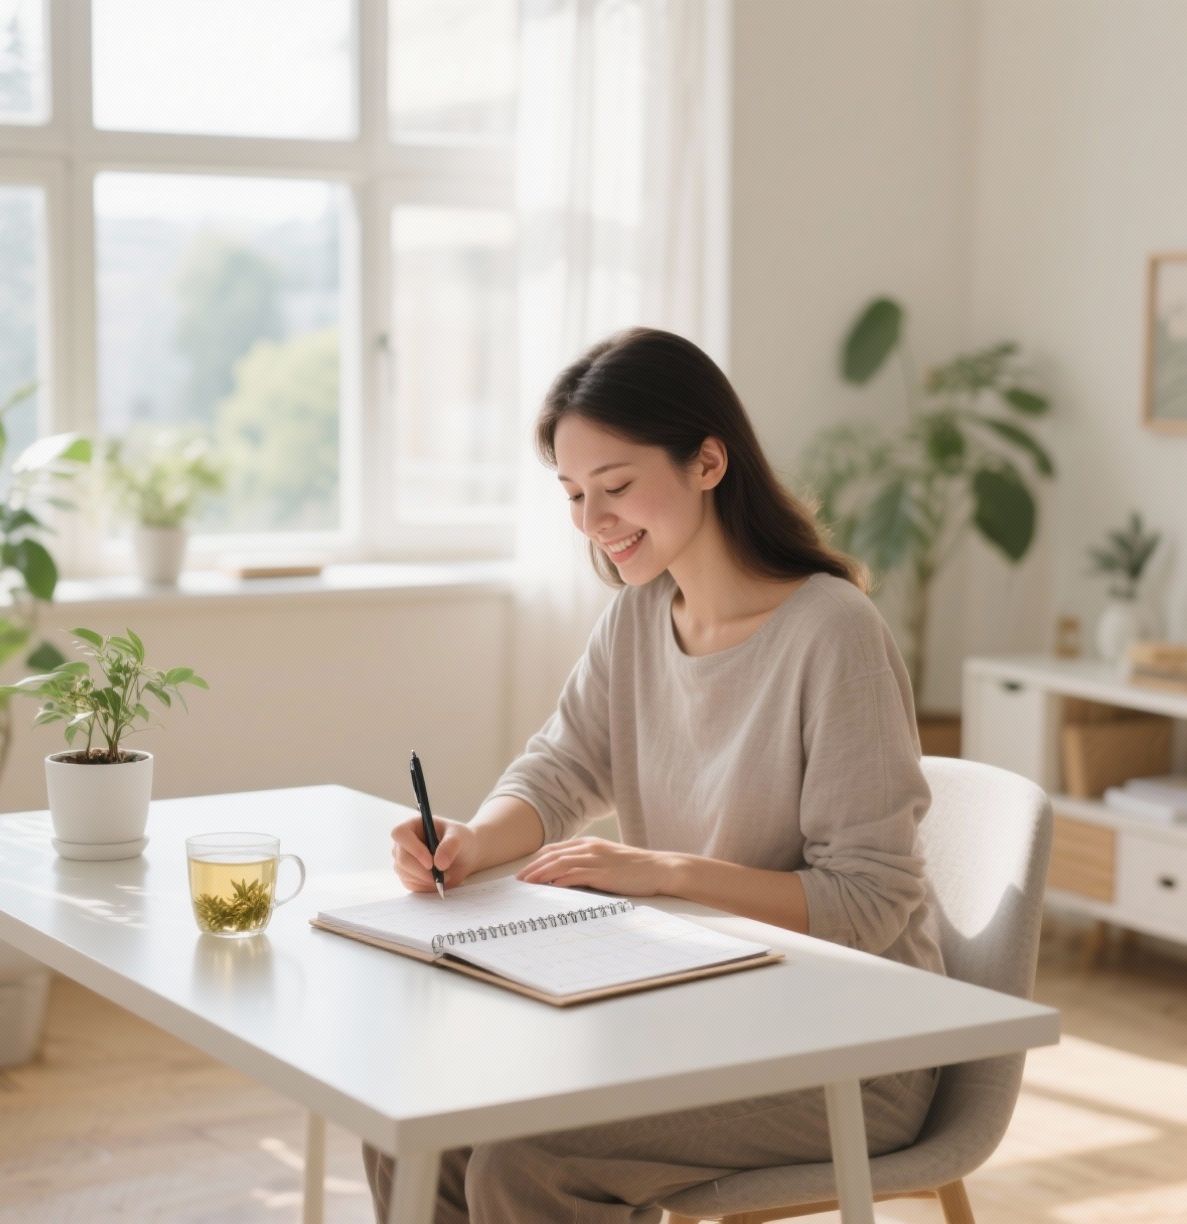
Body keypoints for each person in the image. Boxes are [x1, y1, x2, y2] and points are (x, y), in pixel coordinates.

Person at [364, 326, 944, 1224]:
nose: (594, 522)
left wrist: (661, 872)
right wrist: (477, 840)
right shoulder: (639, 618)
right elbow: (560, 770)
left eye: (618, 486)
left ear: (708, 461)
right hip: (698, 1009)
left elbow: (870, 901)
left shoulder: (833, 634)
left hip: (850, 1046)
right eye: (573, 494)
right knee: (413, 1116)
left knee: (528, 1166)